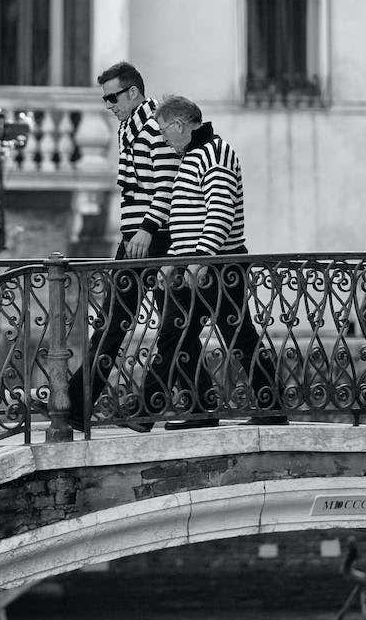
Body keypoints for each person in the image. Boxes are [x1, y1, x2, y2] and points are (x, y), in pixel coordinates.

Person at [127, 95, 287, 431]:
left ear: (179, 125)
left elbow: (219, 214)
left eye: (164, 131)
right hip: (201, 266)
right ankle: (203, 408)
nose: (164, 138)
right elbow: (186, 224)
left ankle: (151, 413)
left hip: (217, 268)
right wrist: (171, 265)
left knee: (227, 336)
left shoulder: (216, 153)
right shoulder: (192, 157)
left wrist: (199, 263)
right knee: (185, 335)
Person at [66, 62, 179, 431]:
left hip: (153, 239)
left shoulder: (153, 126)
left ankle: (77, 406)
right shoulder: (128, 127)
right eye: (105, 99)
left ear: (132, 92)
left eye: (113, 97)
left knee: (132, 324)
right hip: (136, 240)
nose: (108, 105)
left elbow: (166, 185)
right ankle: (192, 405)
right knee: (169, 326)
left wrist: (146, 229)